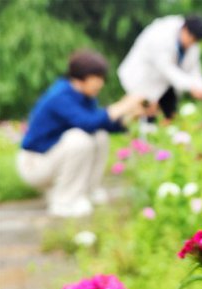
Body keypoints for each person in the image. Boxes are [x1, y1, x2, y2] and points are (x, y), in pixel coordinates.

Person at [17, 50, 142, 218]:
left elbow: (101, 124)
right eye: (99, 78)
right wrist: (122, 105)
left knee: (99, 136)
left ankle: (86, 192)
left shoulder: (83, 96)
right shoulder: (60, 95)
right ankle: (64, 202)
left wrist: (130, 116)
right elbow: (87, 122)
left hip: (50, 158)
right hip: (35, 164)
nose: (101, 83)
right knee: (79, 139)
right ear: (84, 76)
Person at [118, 15, 202, 122]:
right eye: (192, 39)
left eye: (195, 41)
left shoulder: (192, 45)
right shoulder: (161, 35)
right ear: (185, 29)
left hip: (164, 85)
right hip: (142, 76)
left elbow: (194, 70)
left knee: (167, 114)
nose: (192, 43)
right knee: (137, 111)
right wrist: (192, 87)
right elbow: (168, 70)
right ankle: (115, 123)